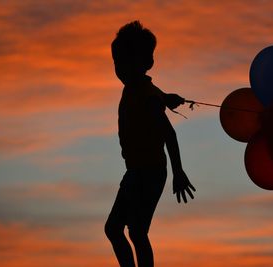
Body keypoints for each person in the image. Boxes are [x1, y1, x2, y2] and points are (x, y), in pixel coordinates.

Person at [105, 21, 196, 267]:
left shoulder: (148, 97)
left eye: (125, 62)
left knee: (136, 232)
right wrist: (168, 98)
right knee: (113, 229)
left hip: (150, 172)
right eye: (117, 62)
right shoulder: (139, 89)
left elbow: (169, 134)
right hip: (135, 171)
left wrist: (178, 172)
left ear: (145, 63)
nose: (120, 68)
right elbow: (155, 94)